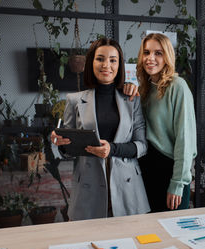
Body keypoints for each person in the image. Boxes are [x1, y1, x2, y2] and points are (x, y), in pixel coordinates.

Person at [50, 38, 150, 220]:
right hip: (89, 185)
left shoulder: (132, 100)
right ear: (91, 63)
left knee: (130, 243)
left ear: (119, 65)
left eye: (113, 60)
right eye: (100, 59)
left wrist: (112, 149)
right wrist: (61, 143)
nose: (106, 65)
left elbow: (142, 146)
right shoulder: (74, 100)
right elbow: (67, 150)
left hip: (128, 187)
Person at [124, 33, 197, 212]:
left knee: (174, 230)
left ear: (167, 57)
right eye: (146, 52)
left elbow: (185, 140)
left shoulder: (178, 87)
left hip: (170, 170)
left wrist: (178, 183)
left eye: (158, 53)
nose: (151, 58)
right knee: (151, 233)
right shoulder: (143, 89)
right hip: (146, 169)